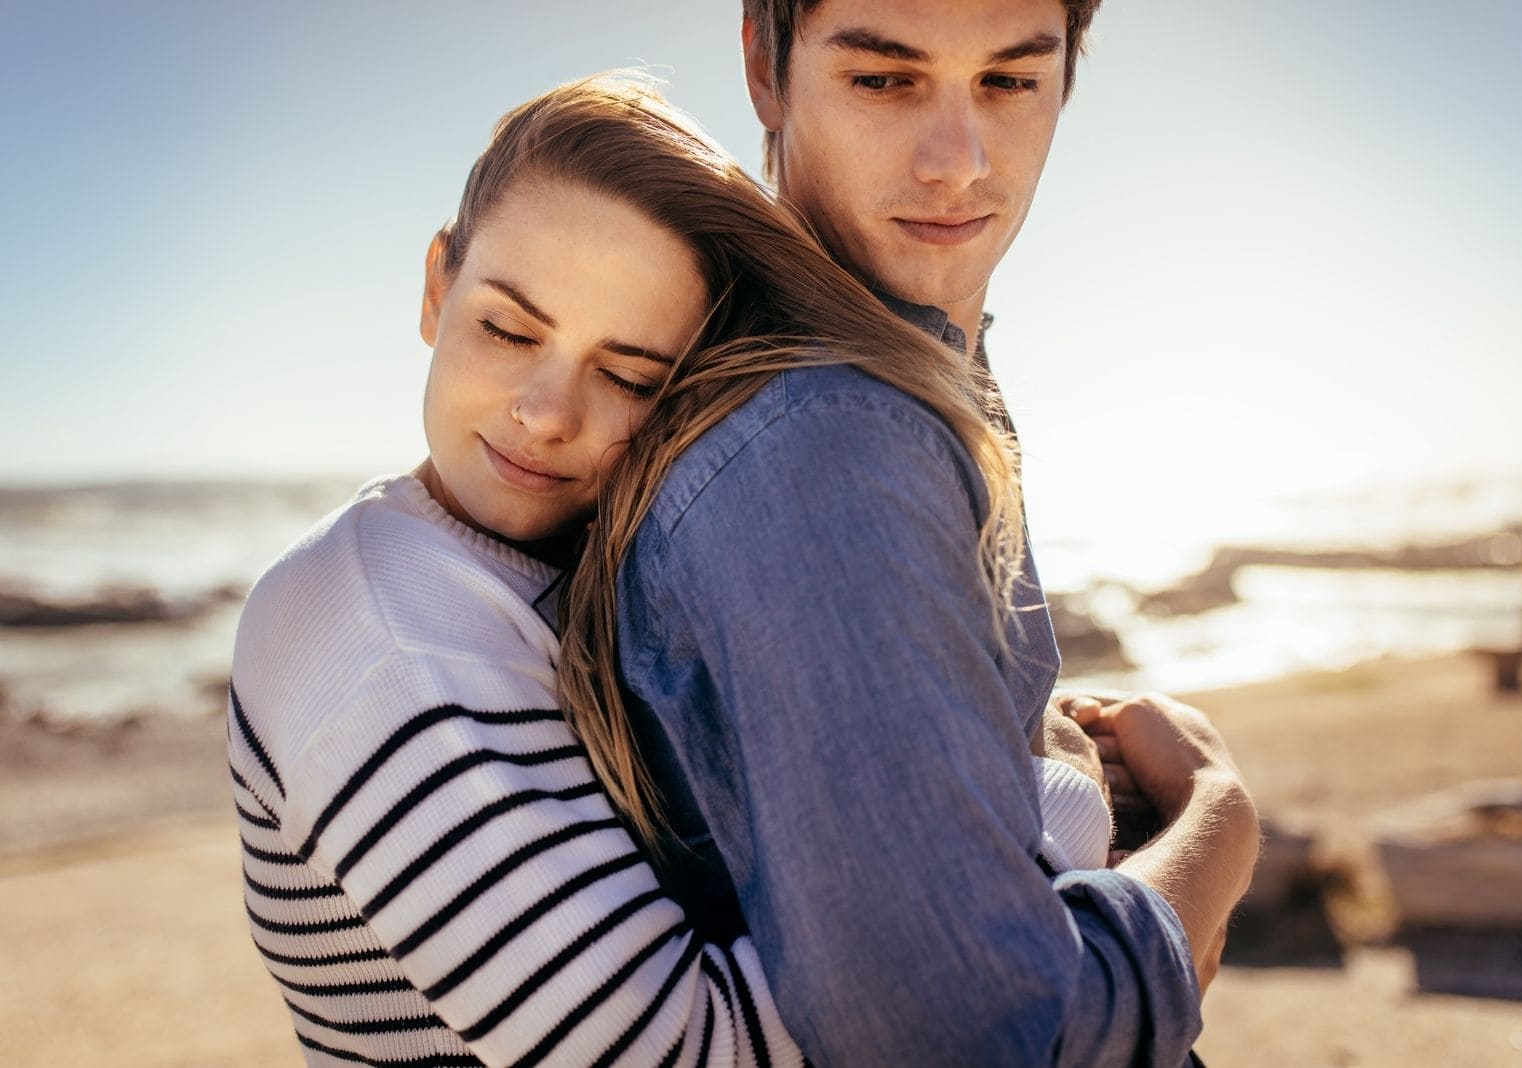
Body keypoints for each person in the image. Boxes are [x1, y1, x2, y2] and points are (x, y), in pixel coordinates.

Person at [227, 75, 1115, 1067]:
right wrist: (1056, 803)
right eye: (509, 329)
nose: (548, 411)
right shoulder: (376, 617)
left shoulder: (590, 579)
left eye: (628, 375)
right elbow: (678, 1052)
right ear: (438, 286)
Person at [559, 2, 1263, 1065]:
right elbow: (988, 1044)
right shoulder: (830, 435)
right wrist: (1215, 824)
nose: (957, 164)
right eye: (883, 81)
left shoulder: (909, 379)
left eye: (1008, 82)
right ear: (765, 65)